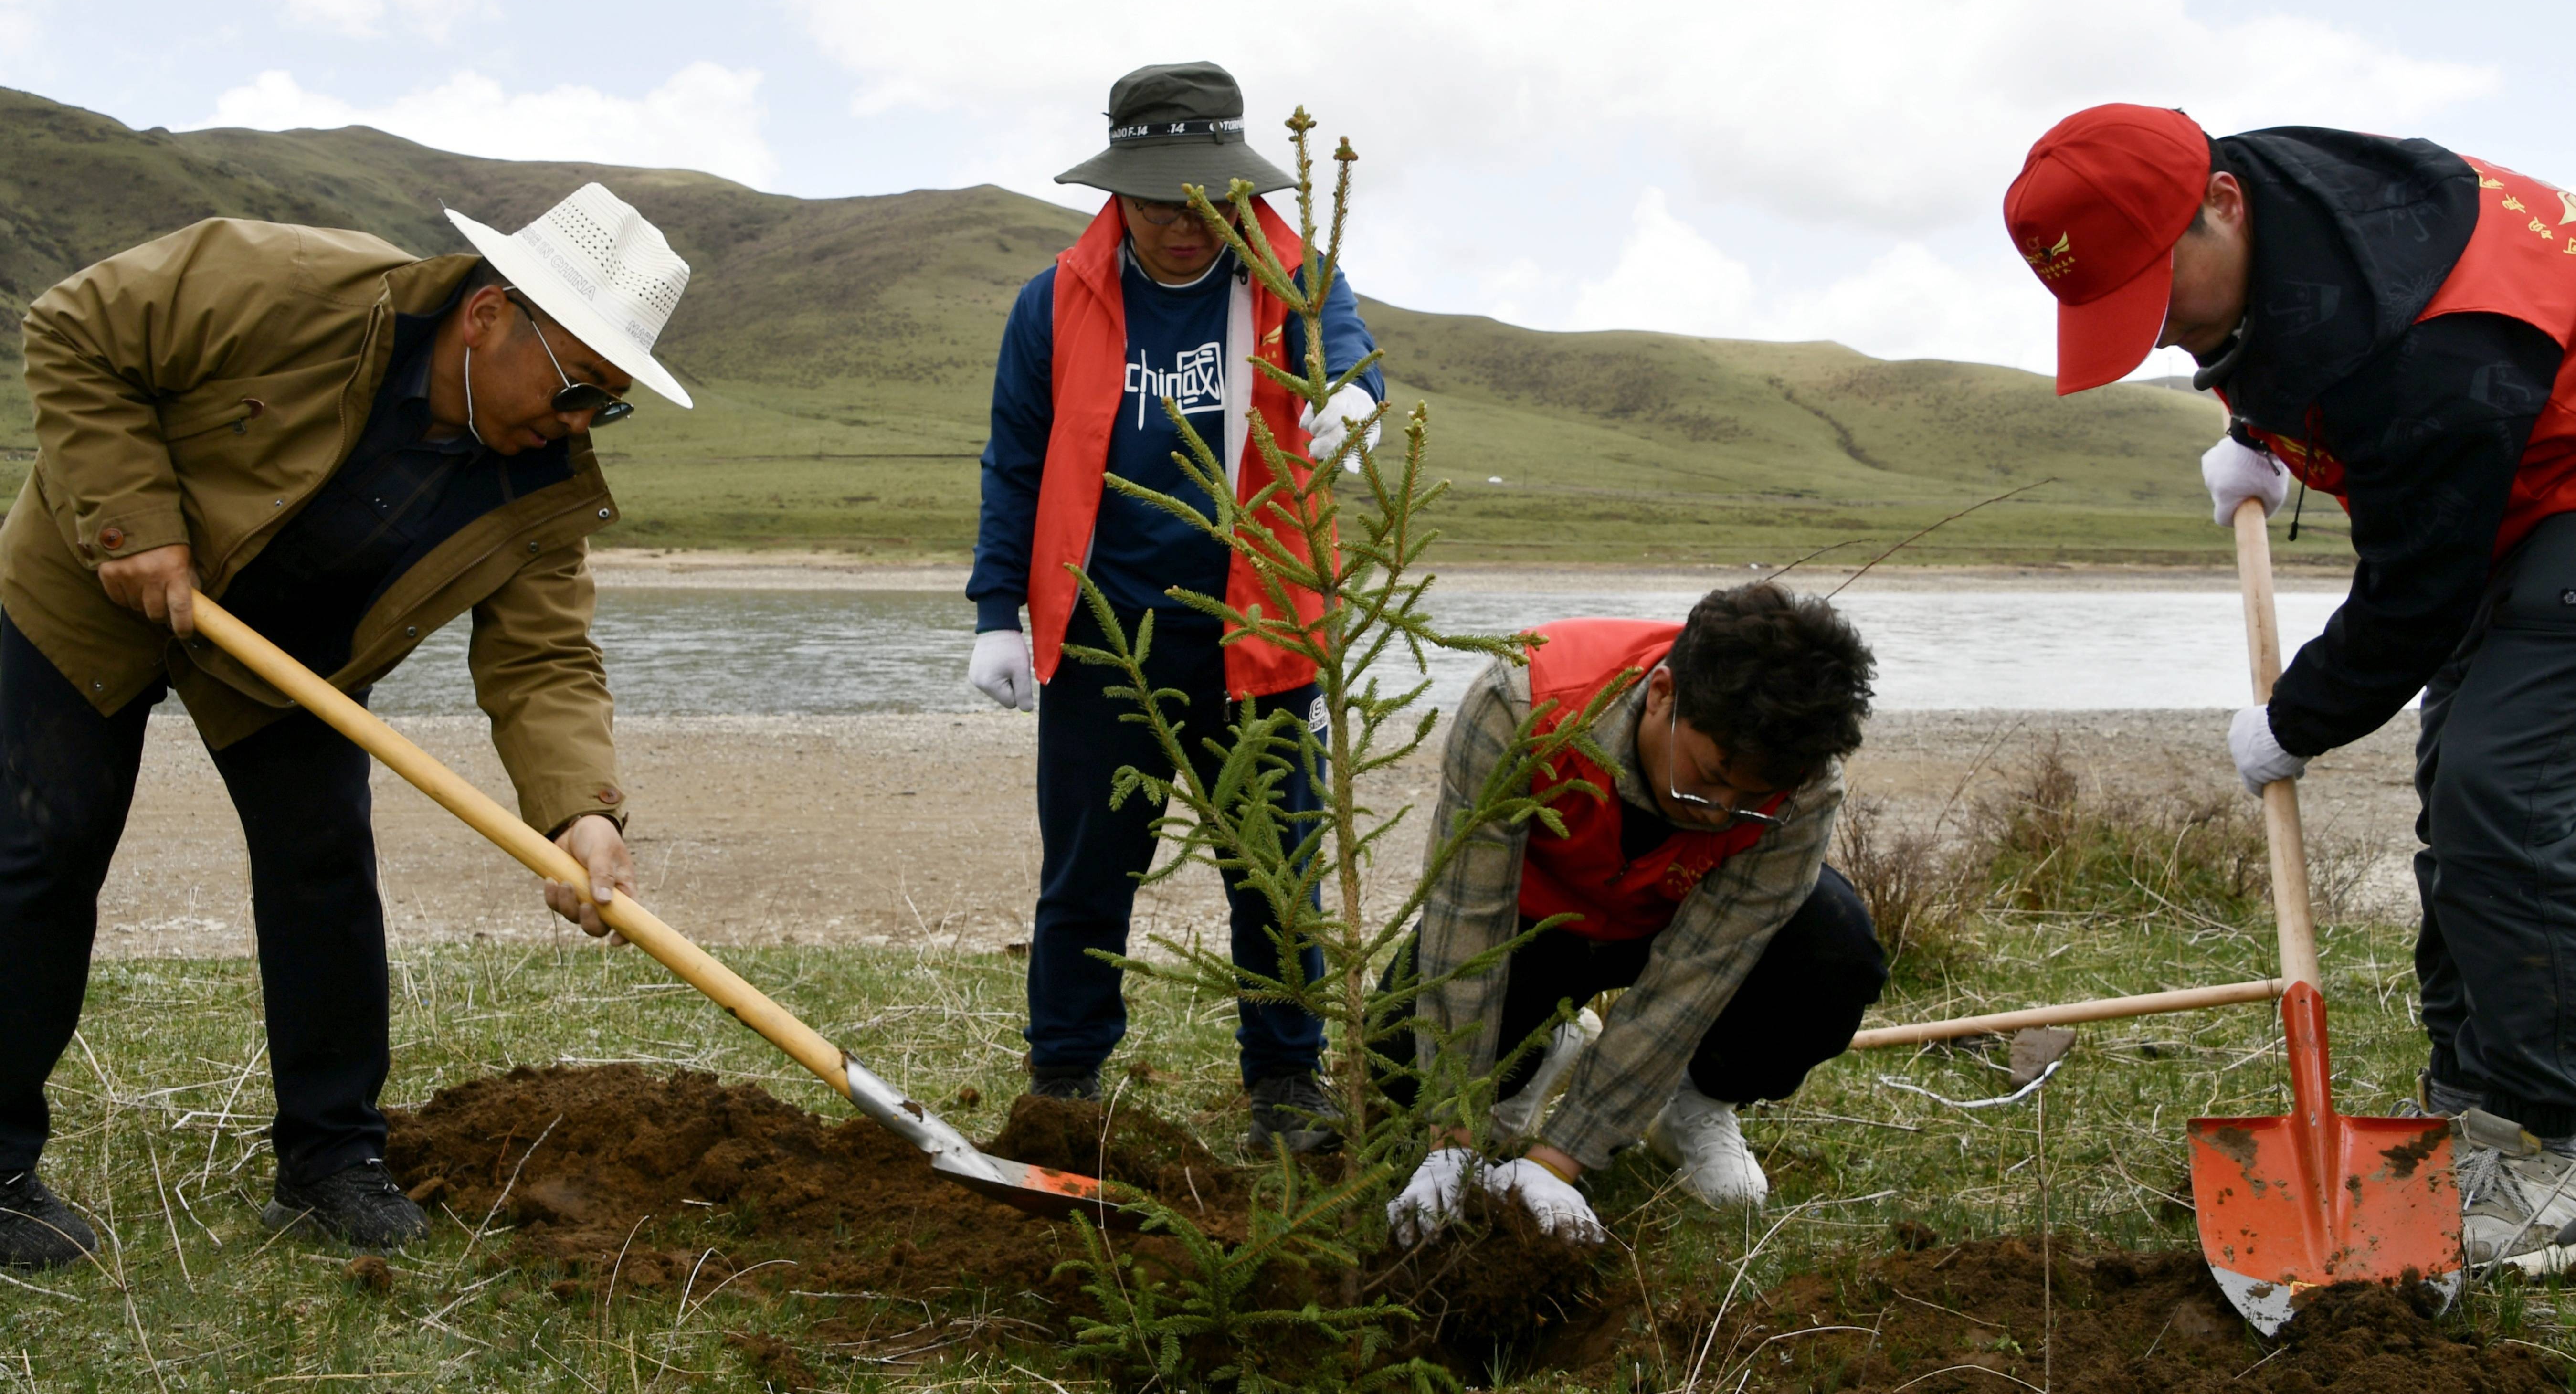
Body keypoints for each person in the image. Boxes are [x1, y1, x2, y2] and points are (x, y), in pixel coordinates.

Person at [0, 185, 695, 1268]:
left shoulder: (542, 489)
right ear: (487, 315)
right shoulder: (286, 284)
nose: (575, 424)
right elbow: (74, 324)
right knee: (40, 854)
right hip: (96, 582)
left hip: (288, 660)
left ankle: (331, 1164)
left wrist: (580, 813)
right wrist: (133, 522)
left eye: (605, 407)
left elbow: (544, 659)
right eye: (573, 389)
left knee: (323, 871)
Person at [2007, 103, 2576, 1269]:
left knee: (2500, 801)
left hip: (2552, 493)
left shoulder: (2441, 339)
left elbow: (2417, 592)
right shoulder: (2260, 201)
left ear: (2220, 207)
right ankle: (2473, 1101)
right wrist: (2263, 430)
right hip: (2493, 493)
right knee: (2456, 807)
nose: (2161, 337)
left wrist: (2296, 719)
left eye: (2155, 301)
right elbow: (2270, 331)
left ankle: (2549, 1143)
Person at [965, 61, 1385, 1153]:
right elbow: (1014, 462)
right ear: (1119, 195)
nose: (1182, 227)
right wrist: (995, 613)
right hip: (1107, 636)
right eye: (1156, 204)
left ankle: (1287, 1089)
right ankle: (1061, 1080)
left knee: (1276, 870)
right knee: (1087, 872)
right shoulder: (1054, 301)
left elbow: (1346, 352)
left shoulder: (1296, 277)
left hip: (1264, 634)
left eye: (1202, 201)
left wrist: (1352, 400)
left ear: (1235, 187)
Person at [1384, 583, 1885, 1245]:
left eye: (1749, 797)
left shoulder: (1802, 789)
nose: (1716, 810)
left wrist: (1556, 1162)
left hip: (1671, 922)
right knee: (1393, 1065)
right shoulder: (1521, 702)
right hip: (1536, 925)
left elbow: (1694, 979)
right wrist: (1449, 1137)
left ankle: (1693, 1102)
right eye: (1707, 776)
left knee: (1835, 945)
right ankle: (1544, 1045)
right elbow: (1465, 914)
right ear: (1662, 695)